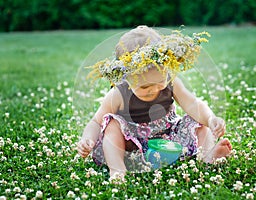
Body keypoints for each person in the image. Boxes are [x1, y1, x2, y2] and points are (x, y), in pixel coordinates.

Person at [77, 25, 232, 178]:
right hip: (132, 146)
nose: (154, 89)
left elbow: (192, 104)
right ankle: (118, 170)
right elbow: (96, 122)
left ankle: (208, 157)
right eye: (145, 86)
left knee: (198, 122)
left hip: (169, 139)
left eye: (160, 81)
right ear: (126, 76)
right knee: (112, 124)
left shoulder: (172, 81)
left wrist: (210, 119)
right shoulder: (118, 94)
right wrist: (87, 139)